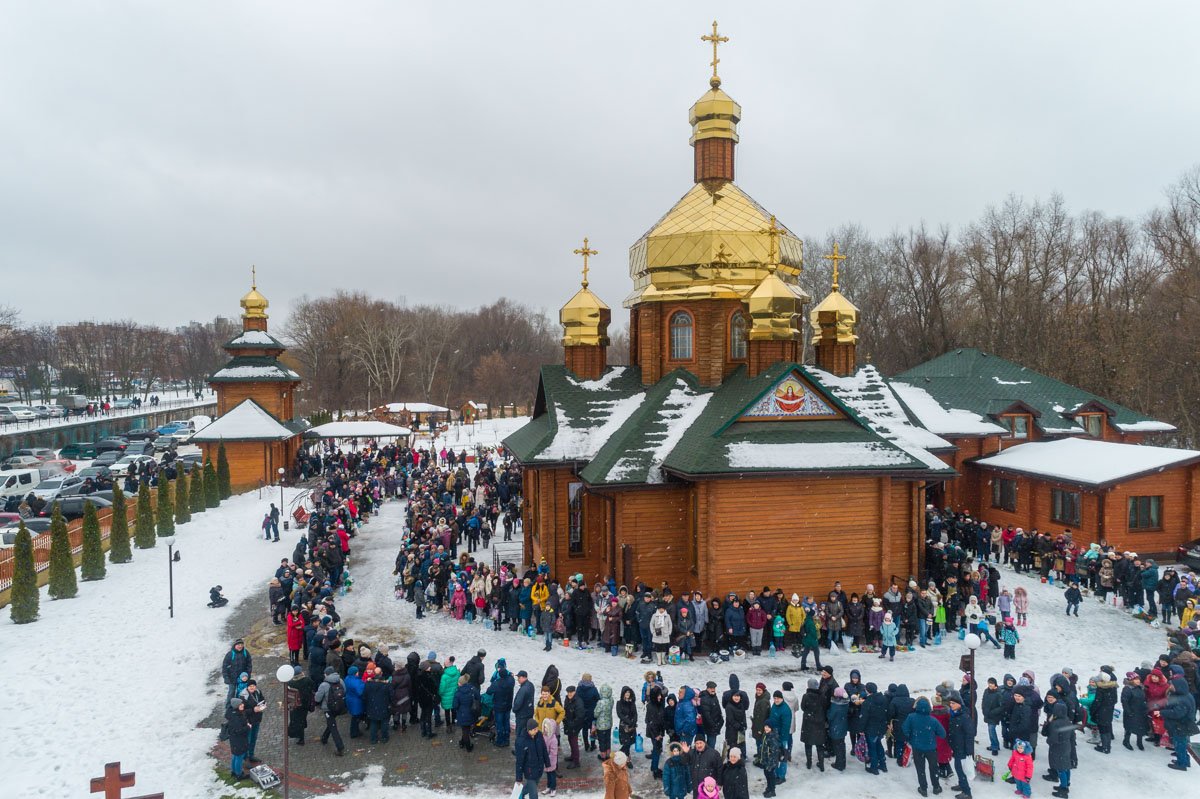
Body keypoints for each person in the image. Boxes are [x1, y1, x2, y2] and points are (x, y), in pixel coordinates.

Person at [902, 697, 945, 796]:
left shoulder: (911, 717)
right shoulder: (933, 720)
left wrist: (911, 737)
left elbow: (905, 729)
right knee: (934, 768)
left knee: (920, 769)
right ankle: (936, 787)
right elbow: (942, 734)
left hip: (917, 747)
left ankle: (923, 788)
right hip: (931, 748)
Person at [1158, 676, 1198, 771]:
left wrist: (1163, 712)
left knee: (1180, 744)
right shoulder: (1185, 695)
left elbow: (1177, 713)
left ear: (1178, 686)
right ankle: (1185, 760)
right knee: (1182, 744)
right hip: (1182, 725)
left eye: (1172, 685)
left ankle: (1181, 764)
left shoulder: (1182, 699)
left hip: (1181, 726)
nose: (1170, 686)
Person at [1041, 703, 1077, 797]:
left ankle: (1063, 789)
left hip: (1058, 748)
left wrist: (1049, 741)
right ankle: (1066, 784)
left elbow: (1052, 738)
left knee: (1060, 769)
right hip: (1067, 746)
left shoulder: (1055, 723)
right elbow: (1072, 735)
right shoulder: (1067, 720)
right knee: (1066, 767)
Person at [946, 693, 974, 799]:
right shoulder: (954, 714)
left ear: (959, 704)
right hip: (956, 746)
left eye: (953, 703)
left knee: (959, 768)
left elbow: (970, 733)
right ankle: (961, 784)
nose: (951, 705)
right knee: (958, 767)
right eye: (950, 703)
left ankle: (967, 792)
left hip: (962, 748)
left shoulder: (964, 717)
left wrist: (969, 750)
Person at [514, 718, 551, 799]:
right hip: (529, 771)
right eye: (534, 729)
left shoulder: (539, 735)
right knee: (534, 794)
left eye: (537, 728)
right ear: (529, 730)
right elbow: (519, 761)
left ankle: (521, 794)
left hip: (539, 768)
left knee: (530, 787)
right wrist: (518, 778)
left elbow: (544, 749)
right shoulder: (522, 741)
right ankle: (521, 794)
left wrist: (547, 763)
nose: (537, 731)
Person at [314, 666, 347, 756]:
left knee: (333, 727)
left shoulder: (324, 685)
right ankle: (324, 738)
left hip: (328, 708)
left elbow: (317, 698)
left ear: (326, 674)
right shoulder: (340, 681)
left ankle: (340, 747)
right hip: (339, 706)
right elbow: (345, 691)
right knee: (331, 723)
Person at [800, 678, 827, 771]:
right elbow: (825, 707)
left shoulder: (806, 696)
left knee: (808, 744)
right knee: (820, 745)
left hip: (808, 723)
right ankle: (821, 764)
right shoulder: (822, 696)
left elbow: (803, 707)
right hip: (819, 722)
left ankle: (809, 763)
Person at [488, 659, 516, 747]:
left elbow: (489, 691)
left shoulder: (496, 683)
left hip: (498, 707)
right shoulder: (511, 681)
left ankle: (500, 741)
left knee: (499, 724)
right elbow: (511, 676)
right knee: (506, 722)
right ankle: (507, 740)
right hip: (508, 706)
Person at [240, 679, 267, 764]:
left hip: (257, 720)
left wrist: (262, 706)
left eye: (253, 686)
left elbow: (263, 701)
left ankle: (251, 755)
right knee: (247, 740)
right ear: (247, 687)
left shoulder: (258, 692)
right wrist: (253, 710)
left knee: (253, 738)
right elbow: (242, 711)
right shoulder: (243, 696)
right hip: (248, 721)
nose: (252, 687)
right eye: (250, 686)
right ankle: (246, 757)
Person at [226, 696, 252, 781]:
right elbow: (239, 730)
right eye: (241, 705)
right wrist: (248, 727)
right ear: (236, 706)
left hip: (234, 739)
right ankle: (239, 774)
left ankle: (234, 771)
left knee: (235, 755)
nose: (243, 705)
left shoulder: (232, 713)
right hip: (239, 739)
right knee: (239, 757)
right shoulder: (236, 717)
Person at [364, 668, 392, 744]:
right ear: (381, 673)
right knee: (384, 723)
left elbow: (364, 696)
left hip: (372, 707)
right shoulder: (386, 685)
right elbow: (391, 696)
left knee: (373, 723)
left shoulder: (368, 684)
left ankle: (373, 739)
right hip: (384, 707)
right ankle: (384, 737)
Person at [758, 722, 783, 798]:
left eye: (768, 727)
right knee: (767, 775)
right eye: (765, 726)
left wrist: (770, 764)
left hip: (770, 762)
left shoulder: (772, 737)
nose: (766, 728)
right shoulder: (765, 735)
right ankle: (769, 787)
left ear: (771, 728)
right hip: (766, 760)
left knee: (771, 776)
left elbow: (774, 753)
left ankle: (772, 790)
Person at [514, 670, 536, 745]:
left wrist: (514, 710)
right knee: (527, 732)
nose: (518, 679)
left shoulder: (523, 689)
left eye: (519, 677)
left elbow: (518, 703)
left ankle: (519, 749)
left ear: (524, 677)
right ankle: (527, 747)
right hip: (529, 713)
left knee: (520, 733)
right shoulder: (531, 685)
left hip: (522, 715)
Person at [542, 717, 560, 797]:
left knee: (552, 775)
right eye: (544, 727)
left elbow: (553, 752)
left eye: (546, 727)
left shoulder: (553, 739)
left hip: (551, 761)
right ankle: (548, 787)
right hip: (546, 760)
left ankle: (553, 788)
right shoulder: (544, 736)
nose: (545, 729)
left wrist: (548, 760)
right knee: (548, 774)